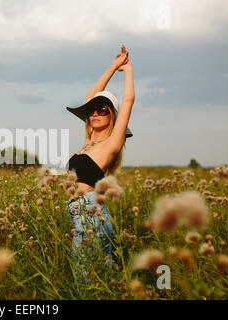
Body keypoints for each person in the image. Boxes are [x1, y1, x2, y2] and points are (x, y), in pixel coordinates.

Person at [65, 45, 135, 285]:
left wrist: (126, 70)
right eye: (92, 111)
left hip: (91, 213)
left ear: (112, 117)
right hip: (80, 214)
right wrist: (112, 66)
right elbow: (91, 96)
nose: (95, 113)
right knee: (93, 279)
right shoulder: (87, 142)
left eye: (102, 110)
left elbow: (127, 100)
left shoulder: (110, 144)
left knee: (88, 283)